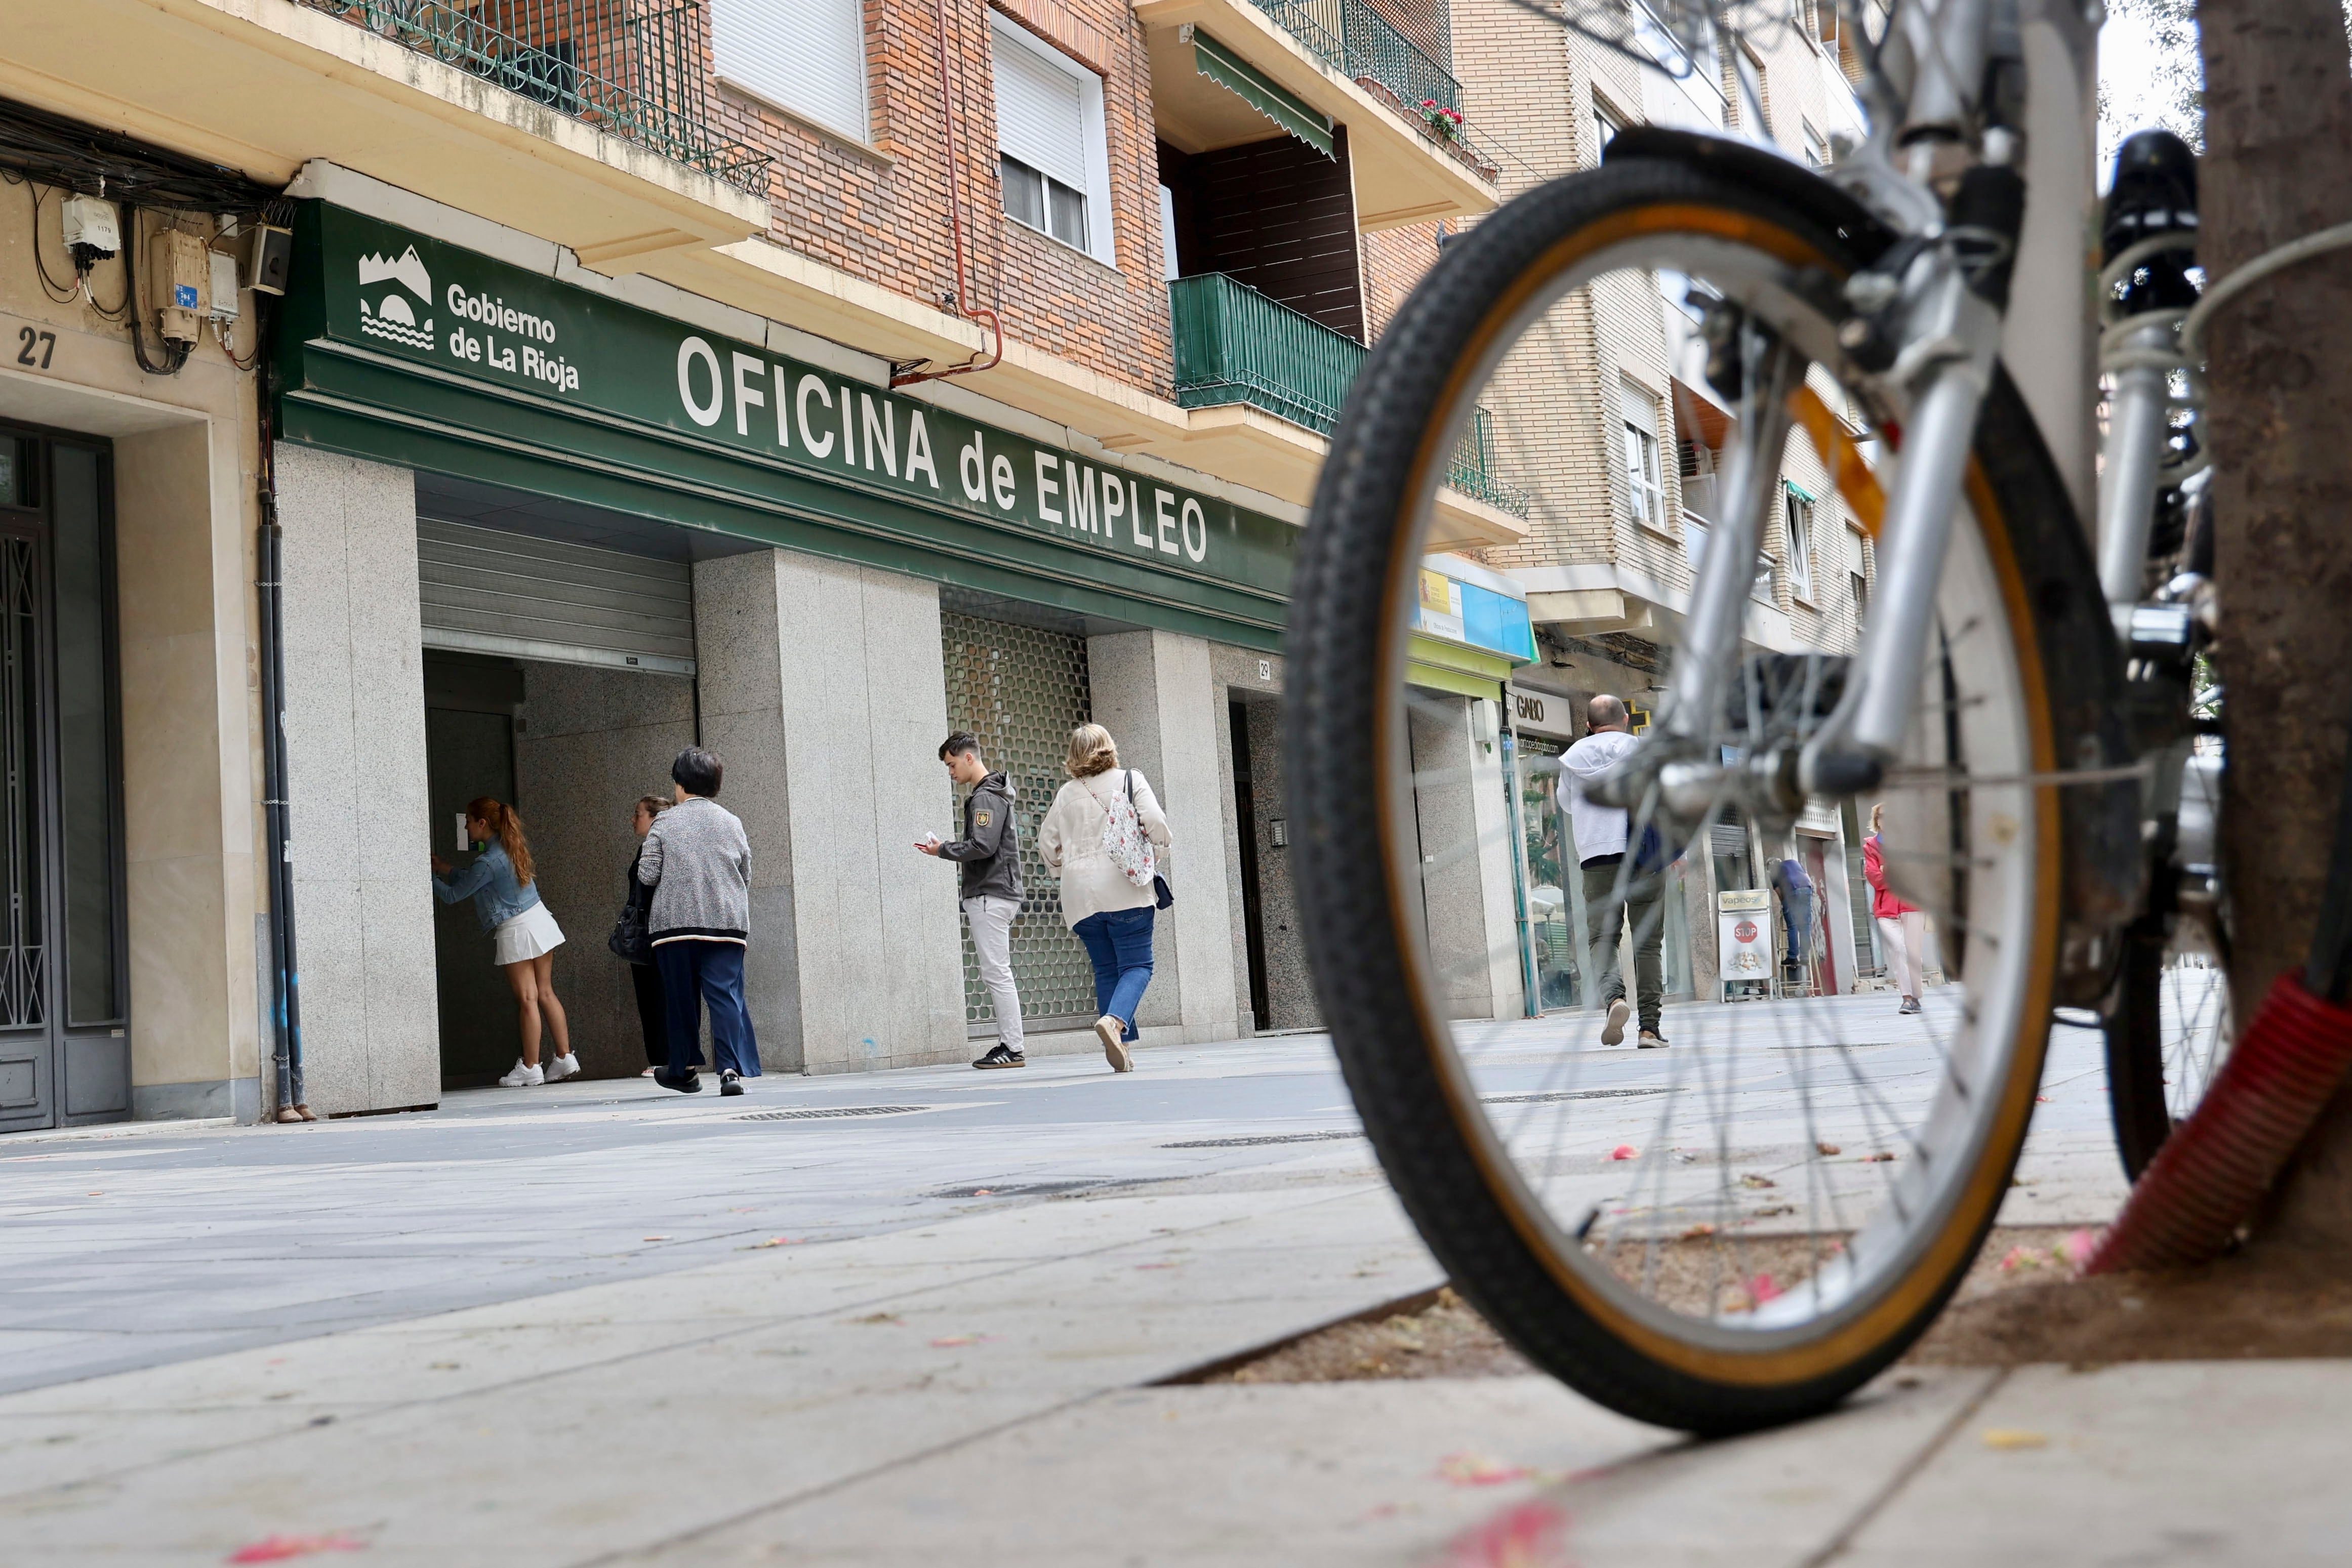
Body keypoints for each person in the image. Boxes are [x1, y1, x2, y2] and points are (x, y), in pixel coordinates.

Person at [1037, 723, 1171, 1073]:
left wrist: (1062, 869)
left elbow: (1046, 845)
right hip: (1124, 888)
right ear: (1109, 748)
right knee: (1138, 965)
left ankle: (1122, 1050)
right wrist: (1158, 852)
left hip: (1080, 897)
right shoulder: (1130, 780)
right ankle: (1115, 1021)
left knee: (1106, 968)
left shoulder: (1066, 793)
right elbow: (1155, 820)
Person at [638, 748, 760, 1096]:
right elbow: (745, 872)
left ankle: (684, 1069)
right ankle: (730, 1071)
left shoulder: (664, 822)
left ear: (679, 784)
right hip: (727, 924)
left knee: (681, 1000)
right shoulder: (732, 822)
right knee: (725, 997)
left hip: (675, 927)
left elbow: (647, 875)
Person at [431, 797, 576, 1088]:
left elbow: (453, 895)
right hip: (539, 919)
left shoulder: (487, 861)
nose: (467, 827)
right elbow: (478, 878)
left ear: (482, 823)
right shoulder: (509, 848)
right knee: (546, 993)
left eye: (468, 822)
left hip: (516, 930)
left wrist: (425, 874)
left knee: (527, 999)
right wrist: (446, 868)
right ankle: (564, 1058)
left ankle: (531, 1067)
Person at [1562, 695, 1667, 1047]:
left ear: (1589, 725)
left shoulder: (1573, 758)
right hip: (1645, 855)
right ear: (1625, 721)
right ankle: (1649, 1028)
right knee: (1648, 943)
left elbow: (1566, 804)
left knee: (1603, 939)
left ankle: (1615, 999)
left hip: (1596, 857)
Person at [917, 731, 1027, 1069]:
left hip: (990, 894)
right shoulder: (993, 793)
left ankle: (1013, 1047)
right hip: (994, 892)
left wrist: (941, 850)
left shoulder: (985, 797)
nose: (951, 772)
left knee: (996, 972)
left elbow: (982, 846)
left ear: (968, 758)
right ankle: (1010, 1044)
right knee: (996, 971)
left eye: (952, 765)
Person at [624, 795, 704, 1079]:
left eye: (638, 814)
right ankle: (665, 1056)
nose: (633, 820)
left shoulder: (655, 847)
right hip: (657, 927)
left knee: (658, 993)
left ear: (655, 819)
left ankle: (665, 1057)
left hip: (658, 928)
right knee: (657, 993)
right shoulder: (649, 847)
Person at [1865, 802, 1927, 1015]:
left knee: (1913, 953)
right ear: (1877, 820)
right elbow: (1874, 878)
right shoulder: (1870, 847)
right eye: (1881, 816)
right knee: (1898, 950)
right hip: (1885, 909)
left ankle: (1916, 997)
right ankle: (1907, 999)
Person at [1772, 850, 1816, 987]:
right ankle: (1804, 957)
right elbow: (1805, 876)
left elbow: (1780, 893)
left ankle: (1792, 957)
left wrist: (1785, 907)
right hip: (1807, 887)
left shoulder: (1774, 872)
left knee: (1792, 926)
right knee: (1805, 925)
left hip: (1792, 889)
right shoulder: (1794, 864)